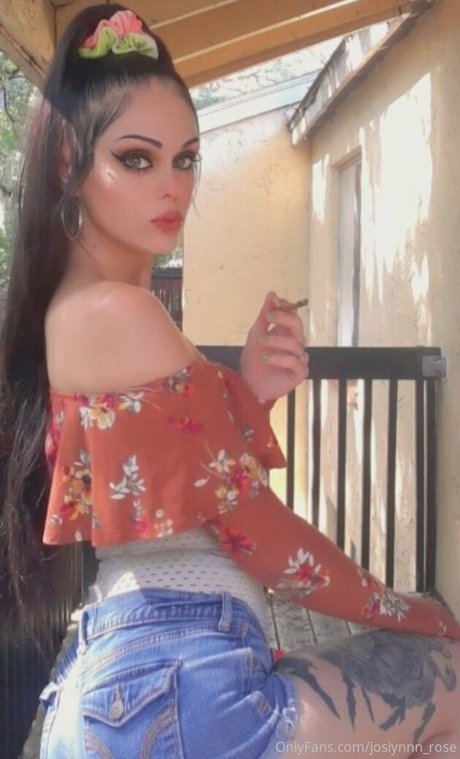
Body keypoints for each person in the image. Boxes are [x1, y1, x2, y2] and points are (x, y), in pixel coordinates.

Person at [0, 4, 459, 758]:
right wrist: (407, 608)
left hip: (148, 680)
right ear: (66, 163)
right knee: (450, 675)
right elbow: (254, 532)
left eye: (186, 159)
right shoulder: (117, 311)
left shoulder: (90, 309)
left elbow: (182, 488)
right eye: (137, 159)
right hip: (182, 680)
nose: (172, 187)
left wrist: (246, 389)